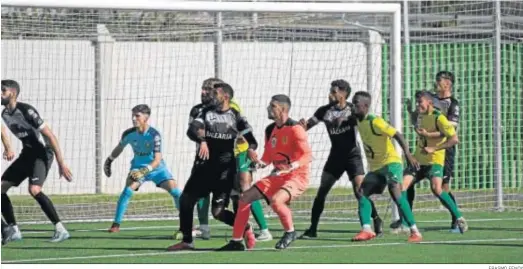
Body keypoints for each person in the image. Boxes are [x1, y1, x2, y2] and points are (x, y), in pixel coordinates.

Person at [167, 83, 258, 251]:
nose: (211, 96)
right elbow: (191, 130)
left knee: (218, 212)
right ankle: (187, 241)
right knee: (186, 200)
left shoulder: (235, 116)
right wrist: (202, 140)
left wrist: (251, 150)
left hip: (224, 171)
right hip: (204, 167)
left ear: (225, 97)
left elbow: (252, 140)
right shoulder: (206, 112)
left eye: (215, 93)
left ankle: (245, 228)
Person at [217, 94, 312, 251]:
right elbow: (268, 157)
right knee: (244, 198)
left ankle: (290, 232)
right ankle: (236, 241)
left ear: (283, 109)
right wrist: (258, 161)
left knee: (276, 200)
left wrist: (292, 166)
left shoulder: (296, 129)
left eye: (272, 106)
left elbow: (308, 155)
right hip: (278, 176)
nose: (269, 108)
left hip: (297, 176)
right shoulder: (270, 129)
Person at [298, 79, 382, 239]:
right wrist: (301, 125)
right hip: (335, 156)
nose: (330, 94)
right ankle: (312, 229)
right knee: (322, 191)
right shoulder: (324, 111)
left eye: (334, 91)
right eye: (331, 91)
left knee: (360, 192)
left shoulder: (353, 109)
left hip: (353, 156)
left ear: (343, 94)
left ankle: (375, 219)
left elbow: (365, 120)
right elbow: (306, 126)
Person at [1, 79, 73, 243]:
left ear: (12, 93)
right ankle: (13, 230)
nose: (0, 94)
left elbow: (50, 135)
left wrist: (61, 163)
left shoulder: (27, 111)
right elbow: (2, 130)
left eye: (3, 91)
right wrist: (7, 148)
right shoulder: (4, 114)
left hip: (42, 153)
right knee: (1, 188)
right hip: (27, 154)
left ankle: (60, 229)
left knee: (34, 189)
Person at [351, 91, 422, 242]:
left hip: (391, 163)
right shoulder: (357, 120)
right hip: (376, 167)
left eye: (356, 104)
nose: (353, 106)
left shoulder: (375, 121)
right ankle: (367, 230)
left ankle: (415, 231)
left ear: (365, 106)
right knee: (362, 192)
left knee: (396, 193)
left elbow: (398, 135)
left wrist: (408, 155)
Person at [104, 104, 181, 232]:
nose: (134, 118)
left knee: (176, 192)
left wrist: (143, 172)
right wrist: (109, 160)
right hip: (137, 168)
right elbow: (119, 147)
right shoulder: (128, 134)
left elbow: (157, 160)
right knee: (127, 191)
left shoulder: (154, 135)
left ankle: (187, 223)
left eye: (137, 116)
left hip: (157, 169)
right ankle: (115, 225)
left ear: (146, 117)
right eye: (133, 115)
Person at [400, 91, 468, 234]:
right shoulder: (420, 116)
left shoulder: (440, 118)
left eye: (420, 103)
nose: (418, 105)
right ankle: (407, 222)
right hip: (419, 161)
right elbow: (417, 125)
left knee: (437, 189)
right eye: (417, 103)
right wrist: (409, 111)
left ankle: (459, 217)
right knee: (401, 186)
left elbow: (454, 139)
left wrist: (434, 147)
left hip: (434, 161)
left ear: (430, 103)